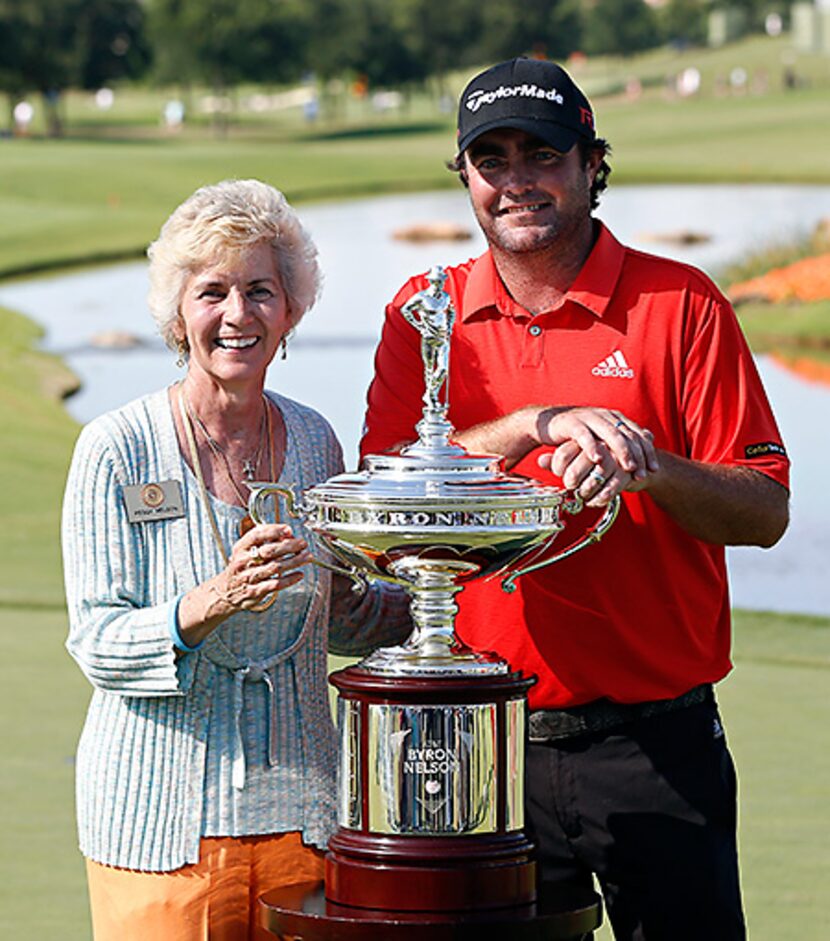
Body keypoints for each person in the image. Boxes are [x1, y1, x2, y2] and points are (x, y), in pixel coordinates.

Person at [360, 57, 790, 940]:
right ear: (467, 178)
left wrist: (652, 468)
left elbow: (765, 510)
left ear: (593, 164)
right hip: (473, 734)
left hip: (652, 746)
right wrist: (531, 423)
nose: (516, 181)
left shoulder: (683, 305)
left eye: (542, 155)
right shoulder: (424, 310)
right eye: (492, 160)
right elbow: (387, 498)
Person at [62, 179, 410, 941]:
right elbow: (96, 642)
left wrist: (448, 597)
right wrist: (210, 600)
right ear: (177, 313)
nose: (237, 314)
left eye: (260, 290)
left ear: (290, 311)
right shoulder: (116, 448)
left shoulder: (317, 443)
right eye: (212, 291)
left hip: (303, 825)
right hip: (158, 837)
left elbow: (338, 616)